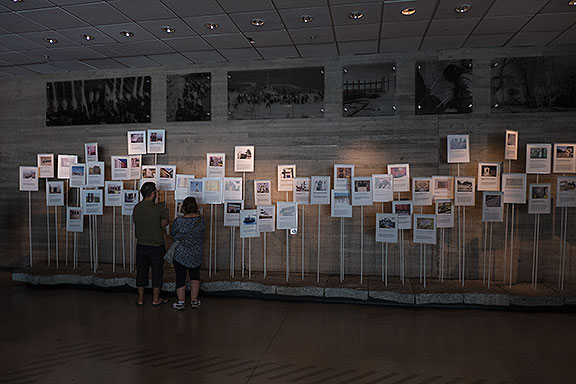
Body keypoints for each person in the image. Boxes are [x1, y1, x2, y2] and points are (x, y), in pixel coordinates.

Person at [132, 182, 169, 306]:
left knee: (141, 272)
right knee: (157, 272)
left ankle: (140, 299)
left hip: (141, 245)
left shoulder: (137, 207)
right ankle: (155, 299)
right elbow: (164, 223)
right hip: (156, 246)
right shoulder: (159, 208)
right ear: (153, 194)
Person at [170, 197, 206, 310]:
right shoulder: (200, 221)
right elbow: (202, 234)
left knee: (180, 277)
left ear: (183, 207)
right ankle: (194, 301)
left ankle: (181, 302)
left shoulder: (178, 221)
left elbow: (173, 234)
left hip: (181, 253)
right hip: (196, 252)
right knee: (195, 276)